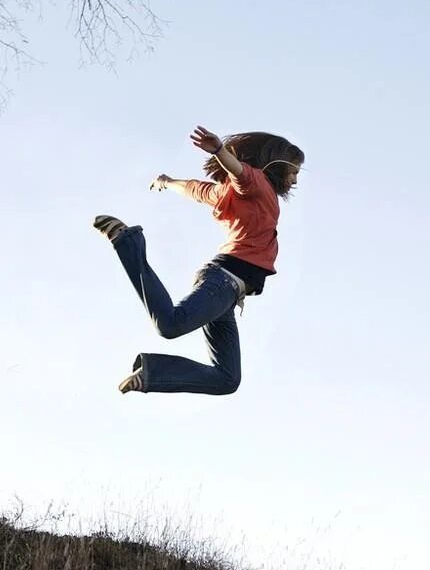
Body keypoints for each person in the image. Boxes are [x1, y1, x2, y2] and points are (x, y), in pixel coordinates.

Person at [93, 125, 304, 395]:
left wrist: (166, 182)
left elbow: (194, 189)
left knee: (227, 379)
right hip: (224, 282)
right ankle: (127, 241)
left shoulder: (226, 193)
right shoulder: (259, 185)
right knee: (169, 325)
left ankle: (151, 374)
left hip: (227, 292)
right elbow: (239, 171)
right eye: (294, 172)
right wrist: (219, 151)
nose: (295, 181)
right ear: (279, 164)